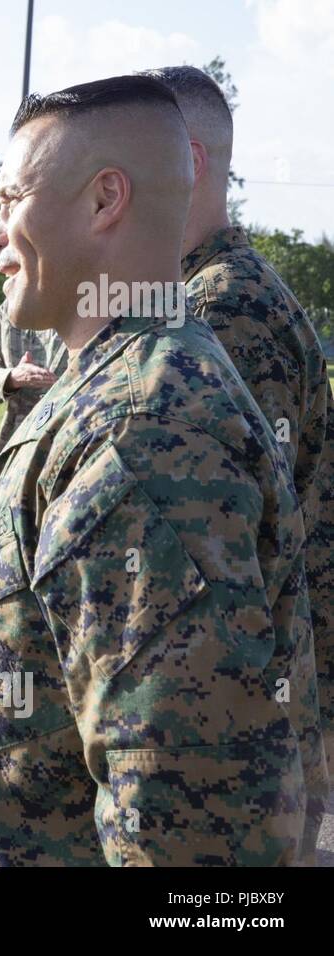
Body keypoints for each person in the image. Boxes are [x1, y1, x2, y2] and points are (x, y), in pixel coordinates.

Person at [0, 75, 315, 866]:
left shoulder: (142, 429)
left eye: (11, 199)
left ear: (105, 198)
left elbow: (180, 834)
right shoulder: (119, 379)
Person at [141, 64, 332, 862]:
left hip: (237, 739)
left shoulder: (224, 311)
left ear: (186, 162)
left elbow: (220, 562)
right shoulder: (213, 293)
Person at [0, 301, 68, 457]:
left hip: (72, 444)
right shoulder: (10, 307)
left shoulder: (99, 301)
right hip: (16, 447)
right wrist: (11, 378)